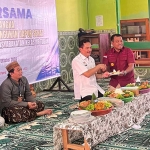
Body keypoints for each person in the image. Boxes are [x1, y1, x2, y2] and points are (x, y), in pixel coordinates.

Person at [72, 39, 110, 103]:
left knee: (108, 101)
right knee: (95, 105)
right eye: (87, 48)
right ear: (80, 49)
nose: (89, 50)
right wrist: (98, 66)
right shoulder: (76, 60)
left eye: (90, 47)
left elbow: (94, 75)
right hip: (84, 91)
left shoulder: (91, 59)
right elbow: (87, 74)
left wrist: (102, 75)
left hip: (95, 87)